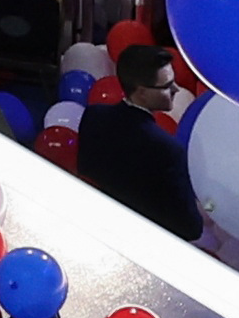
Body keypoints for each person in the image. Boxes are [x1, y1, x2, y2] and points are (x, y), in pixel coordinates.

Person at [75, 44, 199, 241]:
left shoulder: (94, 116)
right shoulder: (168, 150)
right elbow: (190, 228)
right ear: (141, 92)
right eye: (167, 86)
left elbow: (86, 169)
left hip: (94, 231)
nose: (176, 89)